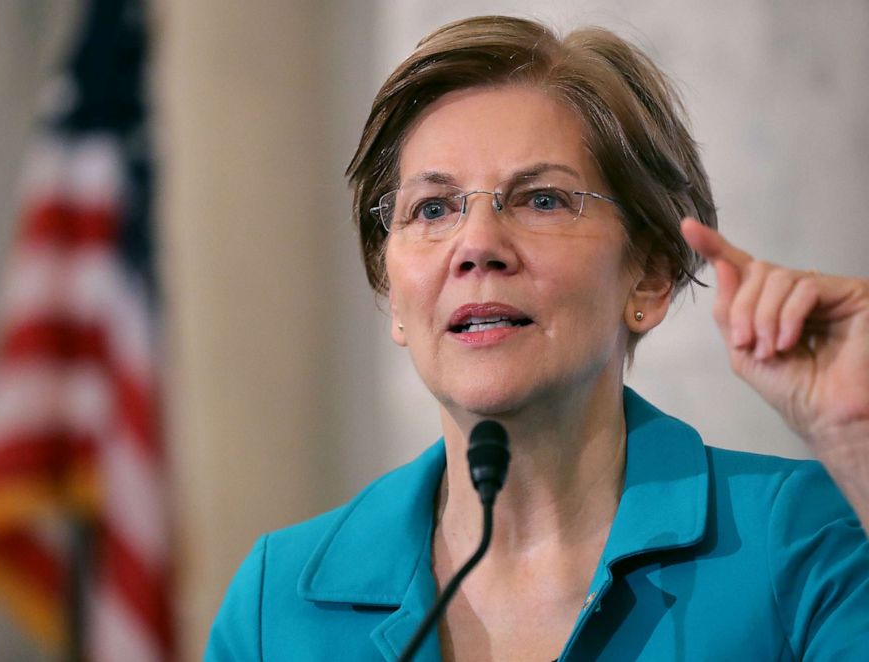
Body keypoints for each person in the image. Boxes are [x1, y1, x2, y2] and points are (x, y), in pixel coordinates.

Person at [206, 15, 869, 660]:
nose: (477, 246)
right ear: (394, 299)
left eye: (542, 200)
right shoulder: (279, 605)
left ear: (651, 278)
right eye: (432, 209)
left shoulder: (803, 539)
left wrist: (859, 441)